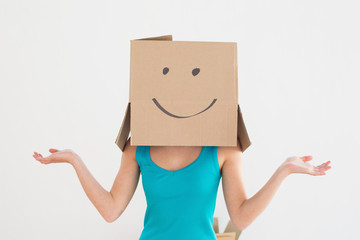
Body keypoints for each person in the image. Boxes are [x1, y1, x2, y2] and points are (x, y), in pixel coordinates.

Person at [32, 137, 331, 239]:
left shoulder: (225, 148)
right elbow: (110, 210)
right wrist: (75, 160)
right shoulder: (137, 148)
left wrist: (284, 171)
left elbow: (239, 217)